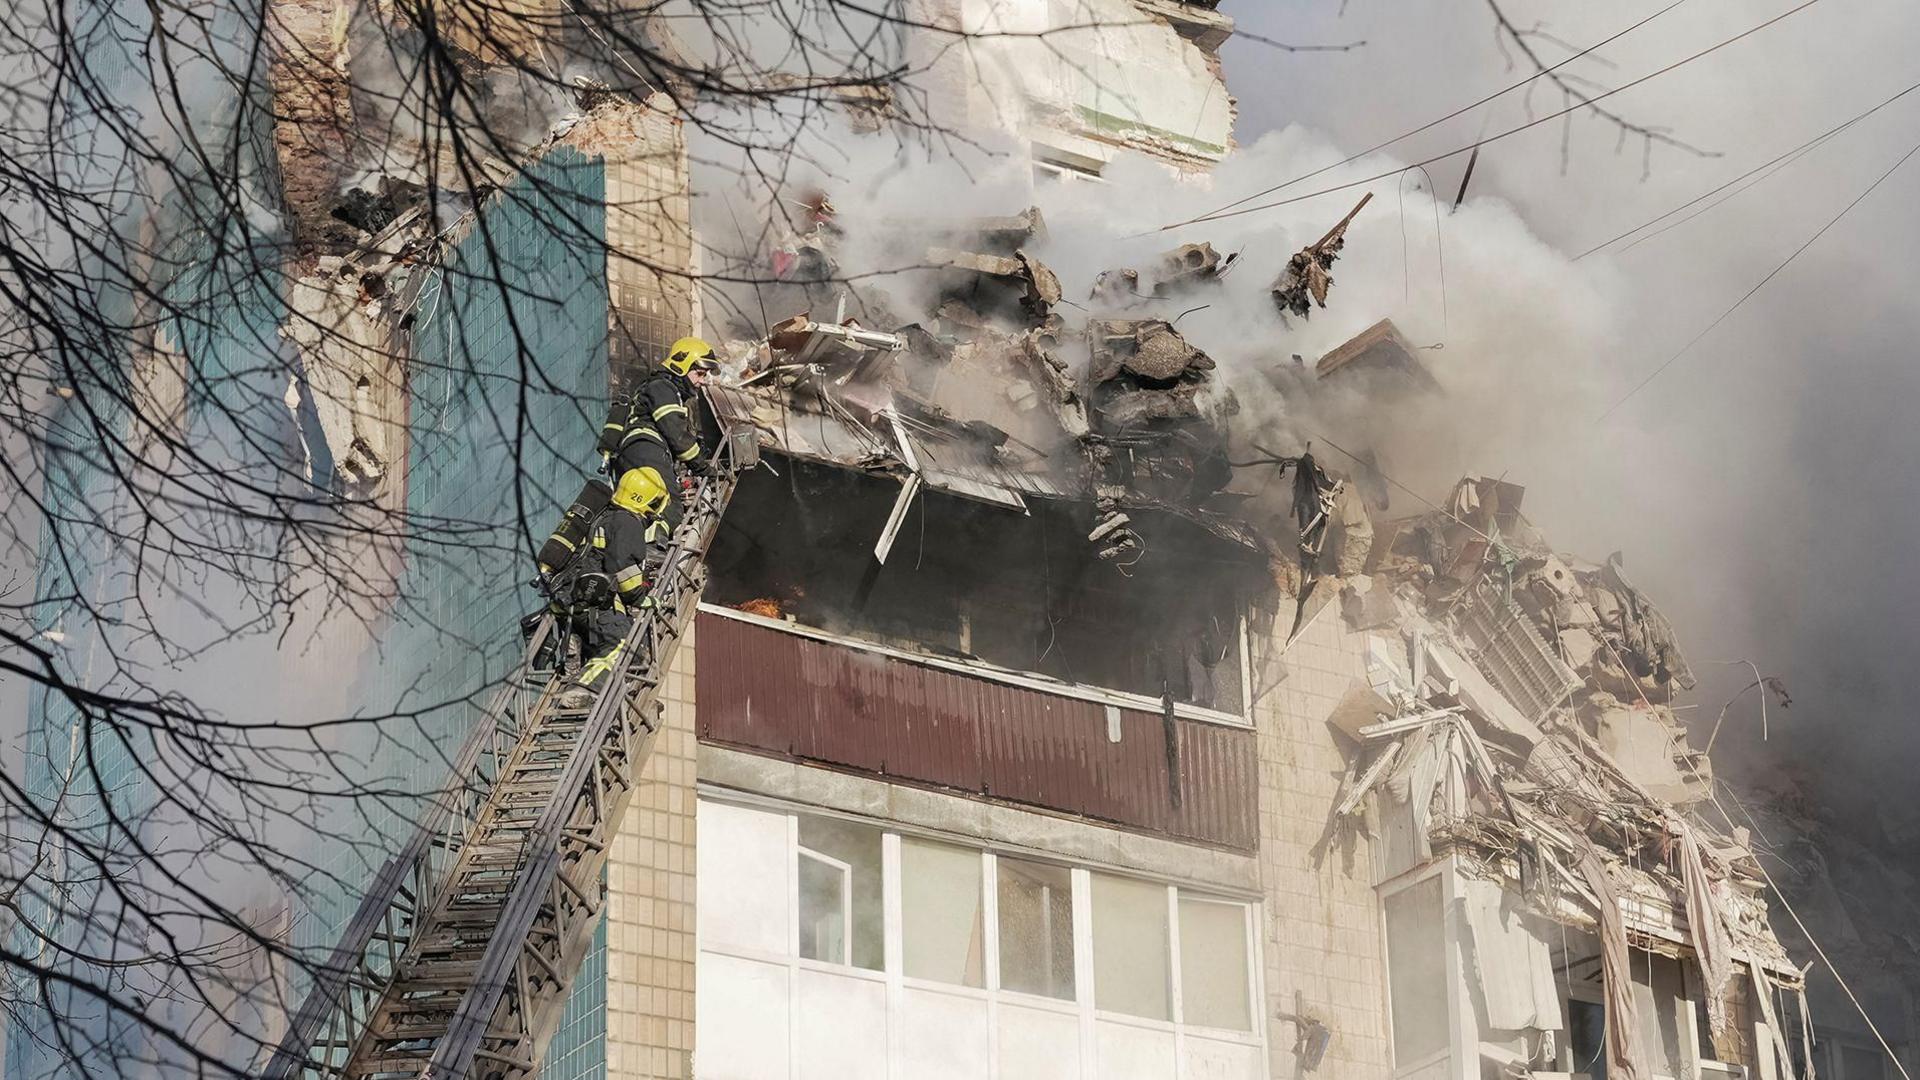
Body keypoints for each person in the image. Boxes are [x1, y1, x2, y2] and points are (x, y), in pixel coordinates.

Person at [555, 466, 674, 709]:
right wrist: (641, 598)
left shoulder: (606, 515)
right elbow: (622, 567)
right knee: (626, 645)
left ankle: (575, 650)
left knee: (610, 643)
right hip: (599, 602)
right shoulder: (628, 523)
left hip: (576, 597)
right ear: (647, 500)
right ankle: (584, 686)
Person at [597, 336, 718, 486]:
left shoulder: (669, 392)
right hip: (646, 452)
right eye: (699, 374)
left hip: (639, 456)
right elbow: (677, 436)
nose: (703, 380)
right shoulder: (662, 388)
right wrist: (703, 467)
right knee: (669, 505)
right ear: (681, 366)